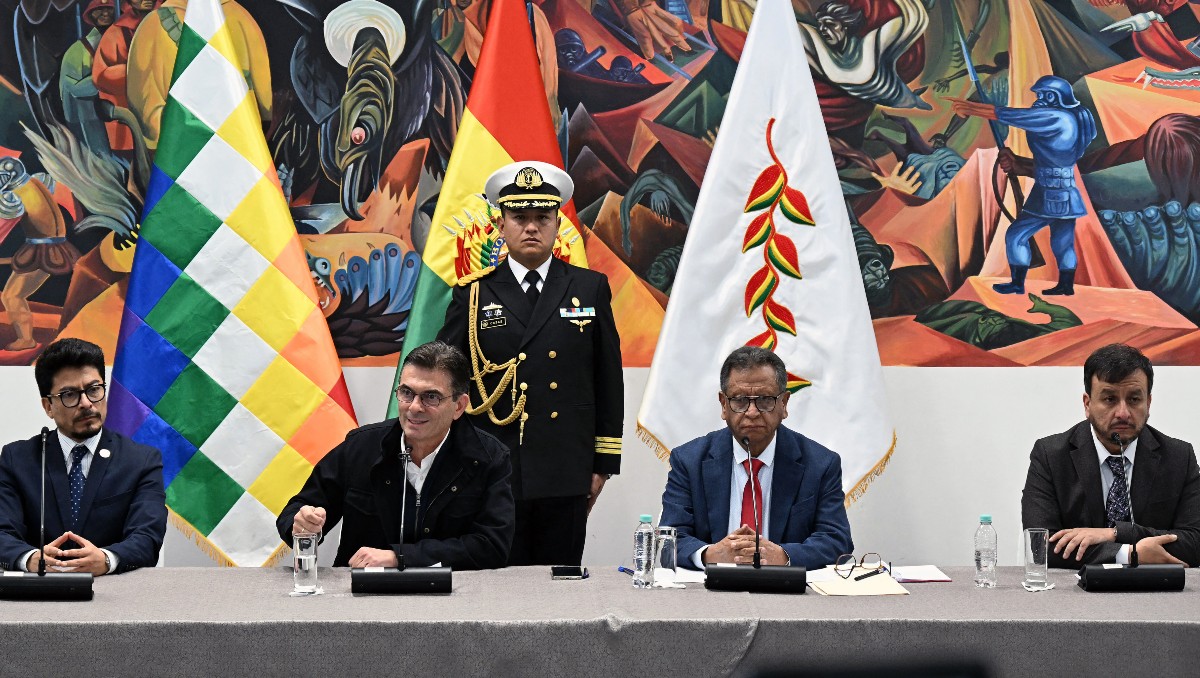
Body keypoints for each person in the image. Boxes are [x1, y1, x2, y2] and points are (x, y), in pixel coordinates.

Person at [437, 161, 623, 566]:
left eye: (542, 217)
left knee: (560, 585)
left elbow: (608, 380)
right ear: (500, 226)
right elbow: (444, 378)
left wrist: (603, 465)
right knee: (496, 585)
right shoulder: (472, 295)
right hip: (494, 468)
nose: (532, 227)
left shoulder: (590, 288)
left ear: (558, 225)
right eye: (519, 218)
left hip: (566, 467)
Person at [277, 341, 514, 570]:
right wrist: (301, 524)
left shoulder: (489, 457)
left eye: (431, 397)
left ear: (459, 406)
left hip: (450, 598)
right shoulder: (361, 447)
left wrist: (400, 557)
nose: (414, 407)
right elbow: (296, 510)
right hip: (361, 597)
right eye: (406, 393)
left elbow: (491, 546)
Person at [660, 346, 853, 570]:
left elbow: (836, 540)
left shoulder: (820, 464)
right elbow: (670, 537)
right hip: (711, 592)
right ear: (724, 405)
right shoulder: (688, 461)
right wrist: (710, 554)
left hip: (788, 595)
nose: (752, 412)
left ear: (784, 404)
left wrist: (783, 555)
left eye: (765, 400)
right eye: (740, 400)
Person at [1022, 343, 1200, 568]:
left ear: (1149, 403)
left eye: (1134, 399)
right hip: (1076, 597)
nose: (1123, 413)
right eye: (1109, 399)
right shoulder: (1051, 456)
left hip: (1156, 595)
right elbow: (1042, 544)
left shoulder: (1178, 457)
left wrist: (1114, 534)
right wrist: (1128, 553)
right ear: (1087, 404)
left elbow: (1195, 542)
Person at [0, 338, 167, 574]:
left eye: (94, 389)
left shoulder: (141, 461)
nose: (86, 403)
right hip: (38, 596)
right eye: (69, 394)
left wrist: (107, 559)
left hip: (117, 596)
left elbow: (148, 537)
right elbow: (1, 532)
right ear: (48, 406)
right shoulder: (17, 459)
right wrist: (31, 559)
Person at [950, 75, 1098, 296]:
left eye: (1043, 95)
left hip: (1049, 195)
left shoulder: (1058, 117)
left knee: (1016, 235)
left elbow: (1012, 116)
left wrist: (971, 108)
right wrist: (1018, 163)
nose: (1038, 99)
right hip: (1063, 190)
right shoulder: (1069, 119)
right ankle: (1066, 286)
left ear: (1055, 97)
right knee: (1062, 243)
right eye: (1038, 94)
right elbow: (1050, 165)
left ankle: (1017, 284)